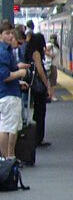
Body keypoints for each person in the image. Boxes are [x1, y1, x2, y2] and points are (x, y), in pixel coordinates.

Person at [0, 22, 30, 159]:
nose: (11, 36)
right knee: (7, 128)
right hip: (7, 95)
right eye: (7, 33)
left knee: (11, 126)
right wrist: (20, 73)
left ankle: (9, 156)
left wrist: (17, 81)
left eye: (12, 33)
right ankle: (7, 158)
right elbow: (4, 76)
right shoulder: (3, 52)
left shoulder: (6, 51)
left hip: (10, 92)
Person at [21, 26, 53, 146]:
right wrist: (47, 84)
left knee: (37, 112)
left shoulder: (29, 50)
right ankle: (39, 138)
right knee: (40, 112)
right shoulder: (36, 53)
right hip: (38, 86)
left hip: (33, 86)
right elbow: (40, 70)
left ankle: (37, 137)